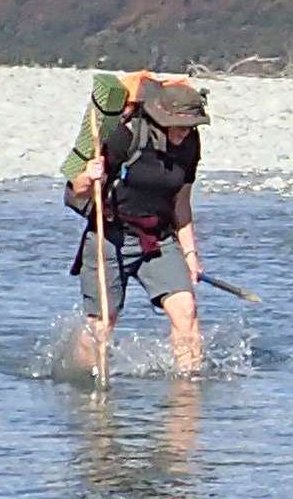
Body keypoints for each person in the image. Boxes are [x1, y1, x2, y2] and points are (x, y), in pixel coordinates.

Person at [63, 70, 212, 373]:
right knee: (101, 324)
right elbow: (75, 191)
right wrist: (87, 176)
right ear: (161, 118)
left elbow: (181, 203)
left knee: (186, 311)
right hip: (110, 236)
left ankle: (187, 394)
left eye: (191, 125)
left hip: (158, 239)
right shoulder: (125, 137)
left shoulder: (189, 145)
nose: (185, 131)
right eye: (180, 125)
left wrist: (190, 255)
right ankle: (80, 380)